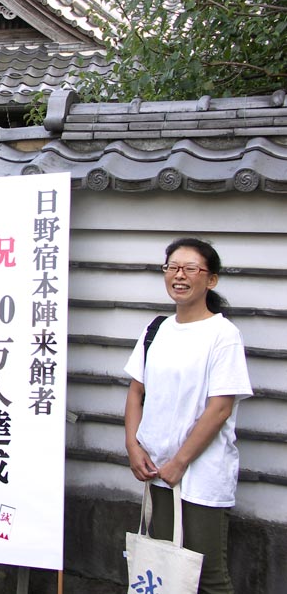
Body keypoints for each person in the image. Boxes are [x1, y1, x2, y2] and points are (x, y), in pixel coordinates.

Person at [123, 237, 253, 594]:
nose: (179, 276)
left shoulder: (223, 335)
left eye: (191, 268)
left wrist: (180, 462)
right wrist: (133, 447)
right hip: (157, 471)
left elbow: (220, 407)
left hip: (201, 476)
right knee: (164, 570)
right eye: (172, 267)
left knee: (207, 575)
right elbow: (137, 392)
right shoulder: (156, 330)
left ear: (210, 280)